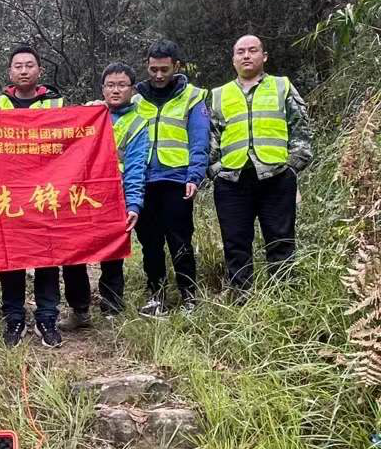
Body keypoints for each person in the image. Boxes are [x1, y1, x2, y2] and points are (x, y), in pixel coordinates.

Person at [208, 34, 313, 294]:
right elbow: (210, 137)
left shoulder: (282, 86)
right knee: (235, 243)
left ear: (263, 56)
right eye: (240, 51)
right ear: (233, 59)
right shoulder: (219, 94)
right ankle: (242, 298)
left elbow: (302, 129)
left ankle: (283, 297)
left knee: (281, 240)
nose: (246, 56)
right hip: (232, 182)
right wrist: (215, 171)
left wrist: (291, 166)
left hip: (276, 178)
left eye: (252, 50)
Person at [61, 62, 149, 328]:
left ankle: (112, 308)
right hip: (80, 195)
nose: (115, 90)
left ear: (132, 89)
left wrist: (134, 202)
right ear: (102, 88)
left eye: (122, 85)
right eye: (110, 85)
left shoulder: (137, 122)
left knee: (112, 254)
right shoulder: (89, 113)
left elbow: (136, 166)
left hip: (115, 196)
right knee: (73, 253)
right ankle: (79, 309)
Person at [0, 45, 65, 348]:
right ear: (10, 72)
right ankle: (14, 317)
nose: (23, 70)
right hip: (7, 192)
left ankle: (47, 317)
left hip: (47, 190)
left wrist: (96, 108)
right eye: (18, 66)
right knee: (10, 256)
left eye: (29, 65)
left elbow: (75, 135)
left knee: (48, 253)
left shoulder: (56, 102)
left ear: (39, 71)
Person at [133, 39, 209, 316]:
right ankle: (157, 294)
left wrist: (195, 175)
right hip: (142, 181)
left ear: (176, 66)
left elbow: (200, 141)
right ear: (147, 66)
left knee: (180, 239)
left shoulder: (192, 96)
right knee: (149, 241)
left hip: (178, 180)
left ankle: (189, 295)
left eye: (165, 69)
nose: (158, 75)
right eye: (153, 69)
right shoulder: (136, 97)